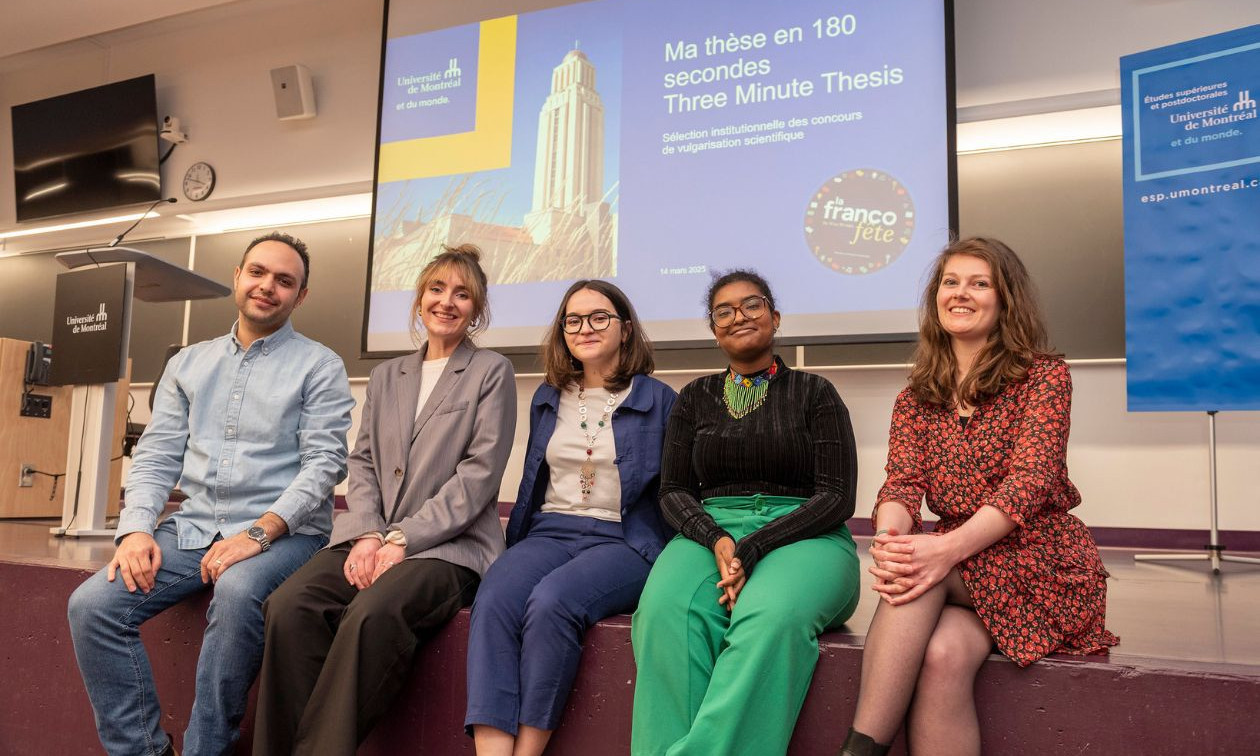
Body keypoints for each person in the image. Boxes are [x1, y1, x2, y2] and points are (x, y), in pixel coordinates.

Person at [67, 232, 354, 756]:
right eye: (258, 272)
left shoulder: (320, 366)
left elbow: (324, 465)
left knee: (239, 591)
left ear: (300, 296)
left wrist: (258, 534)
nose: (267, 286)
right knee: (91, 607)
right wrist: (135, 530)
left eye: (284, 281)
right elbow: (157, 455)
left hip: (285, 534)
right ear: (238, 277)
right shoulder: (188, 364)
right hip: (196, 527)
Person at [841, 237, 1119, 756]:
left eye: (979, 283)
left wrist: (940, 551)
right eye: (950, 282)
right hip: (963, 567)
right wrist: (891, 536)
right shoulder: (915, 396)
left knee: (918, 576)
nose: (961, 293)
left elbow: (1029, 482)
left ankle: (857, 751)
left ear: (1005, 299)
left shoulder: (1044, 377)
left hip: (1040, 561)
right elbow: (902, 483)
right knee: (942, 654)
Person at [252, 243, 516, 755]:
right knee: (290, 605)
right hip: (373, 536)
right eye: (436, 289)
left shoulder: (492, 371)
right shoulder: (386, 374)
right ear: (419, 299)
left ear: (477, 309)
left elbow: (478, 476)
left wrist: (402, 539)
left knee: (372, 613)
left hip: (449, 548)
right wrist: (370, 534)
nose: (447, 302)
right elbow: (364, 462)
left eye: (462, 294)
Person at [630, 270, 861, 756]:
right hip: (710, 532)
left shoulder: (816, 392)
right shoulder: (694, 397)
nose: (739, 316)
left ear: (775, 317)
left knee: (767, 616)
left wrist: (755, 545)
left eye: (752, 305)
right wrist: (716, 538)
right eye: (724, 311)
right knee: (664, 612)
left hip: (807, 534)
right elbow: (673, 492)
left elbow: (838, 497)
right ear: (714, 331)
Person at [465, 280, 676, 755]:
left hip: (624, 539)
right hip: (551, 531)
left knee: (553, 601)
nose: (585, 328)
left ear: (625, 328)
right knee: (494, 599)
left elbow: (673, 491)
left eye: (599, 317)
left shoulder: (659, 399)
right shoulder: (548, 396)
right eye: (573, 320)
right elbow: (535, 479)